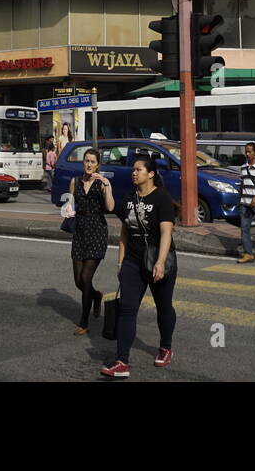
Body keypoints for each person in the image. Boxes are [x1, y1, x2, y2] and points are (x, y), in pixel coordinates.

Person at [100, 155, 176, 378]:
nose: (134, 173)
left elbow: (166, 233)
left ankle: (165, 346)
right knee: (127, 308)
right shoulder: (129, 198)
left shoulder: (161, 198)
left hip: (157, 259)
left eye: (139, 170)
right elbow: (124, 232)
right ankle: (121, 361)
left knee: (164, 307)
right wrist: (121, 261)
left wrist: (160, 262)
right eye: (133, 170)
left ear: (151, 174)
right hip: (133, 261)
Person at [69, 149, 114, 335]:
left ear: (97, 165)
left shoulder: (101, 184)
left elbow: (110, 207)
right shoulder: (75, 182)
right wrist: (67, 210)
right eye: (86, 161)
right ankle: (96, 296)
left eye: (92, 162)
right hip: (79, 231)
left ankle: (84, 322)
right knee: (79, 281)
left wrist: (108, 186)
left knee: (86, 278)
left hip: (97, 230)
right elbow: (70, 205)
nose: (88, 164)